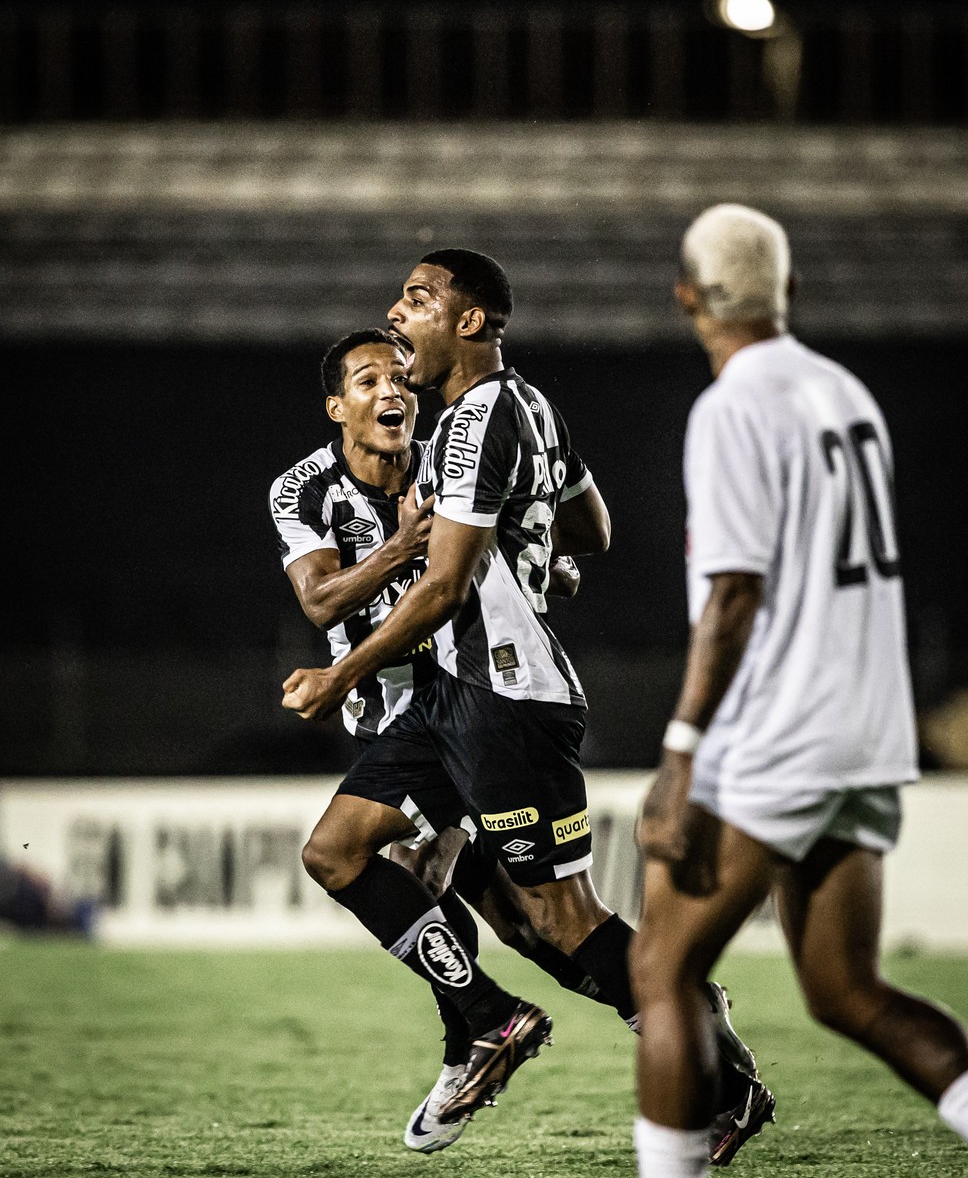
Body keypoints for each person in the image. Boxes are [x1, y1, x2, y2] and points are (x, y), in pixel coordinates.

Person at [281, 250, 770, 1161]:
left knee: (557, 921)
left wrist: (338, 676)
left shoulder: (470, 422)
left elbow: (441, 589)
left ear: (470, 321)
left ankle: (715, 1065)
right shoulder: (531, 406)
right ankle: (485, 1017)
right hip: (448, 699)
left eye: (418, 299)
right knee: (337, 851)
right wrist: (528, 547)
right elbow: (592, 529)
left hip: (503, 696)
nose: (398, 314)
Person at [630, 202, 968, 1178]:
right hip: (865, 730)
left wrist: (680, 750)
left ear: (687, 298)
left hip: (779, 730)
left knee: (661, 969)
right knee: (846, 992)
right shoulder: (843, 390)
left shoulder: (732, 407)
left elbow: (735, 594)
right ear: (789, 289)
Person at [269, 325, 607, 1154]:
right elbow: (321, 602)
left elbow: (550, 537)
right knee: (523, 922)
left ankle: (480, 1036)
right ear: (337, 407)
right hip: (386, 720)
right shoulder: (302, 489)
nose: (392, 391)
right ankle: (652, 1012)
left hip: (464, 704)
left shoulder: (452, 458)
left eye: (400, 378)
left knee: (406, 871)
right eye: (369, 381)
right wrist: (402, 548)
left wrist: (537, 564)